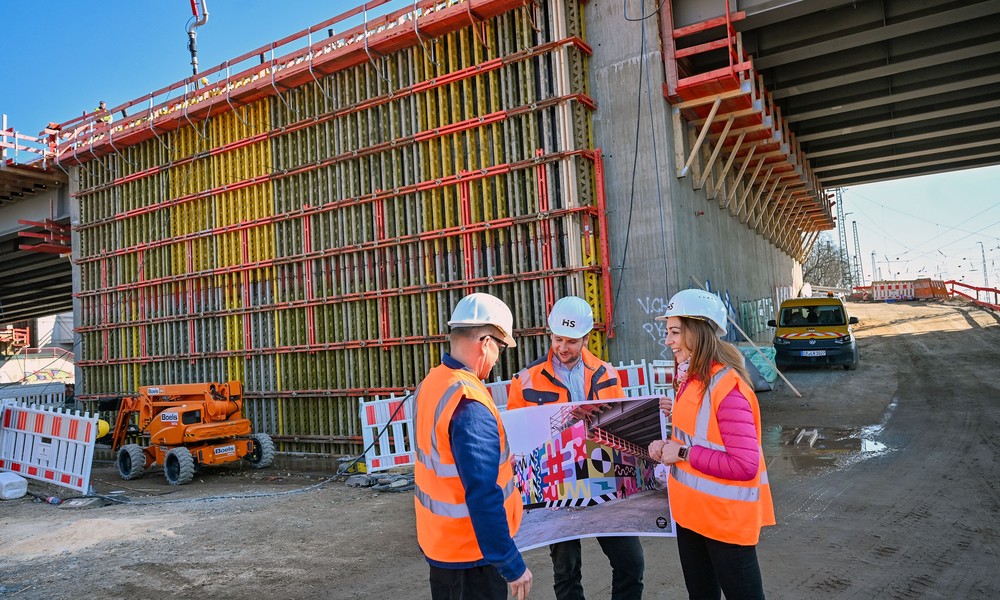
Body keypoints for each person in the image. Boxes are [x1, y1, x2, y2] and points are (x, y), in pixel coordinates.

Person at [506, 295, 644, 600]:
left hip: (602, 478)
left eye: (571, 341)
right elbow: (517, 437)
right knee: (566, 573)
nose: (563, 347)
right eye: (558, 339)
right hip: (558, 486)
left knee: (631, 564)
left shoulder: (606, 374)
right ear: (549, 333)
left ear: (586, 337)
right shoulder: (525, 380)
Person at [647, 289, 775, 600]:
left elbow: (745, 465)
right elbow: (697, 436)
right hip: (691, 516)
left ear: (698, 332)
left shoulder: (727, 388)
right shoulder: (689, 381)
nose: (668, 341)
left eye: (675, 332)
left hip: (725, 523)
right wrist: (666, 445)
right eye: (667, 332)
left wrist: (682, 452)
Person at [413, 292, 533, 600]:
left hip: (442, 547)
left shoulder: (432, 384)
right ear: (485, 342)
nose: (496, 360)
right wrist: (510, 562)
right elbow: (482, 492)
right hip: (473, 557)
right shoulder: (468, 402)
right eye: (500, 349)